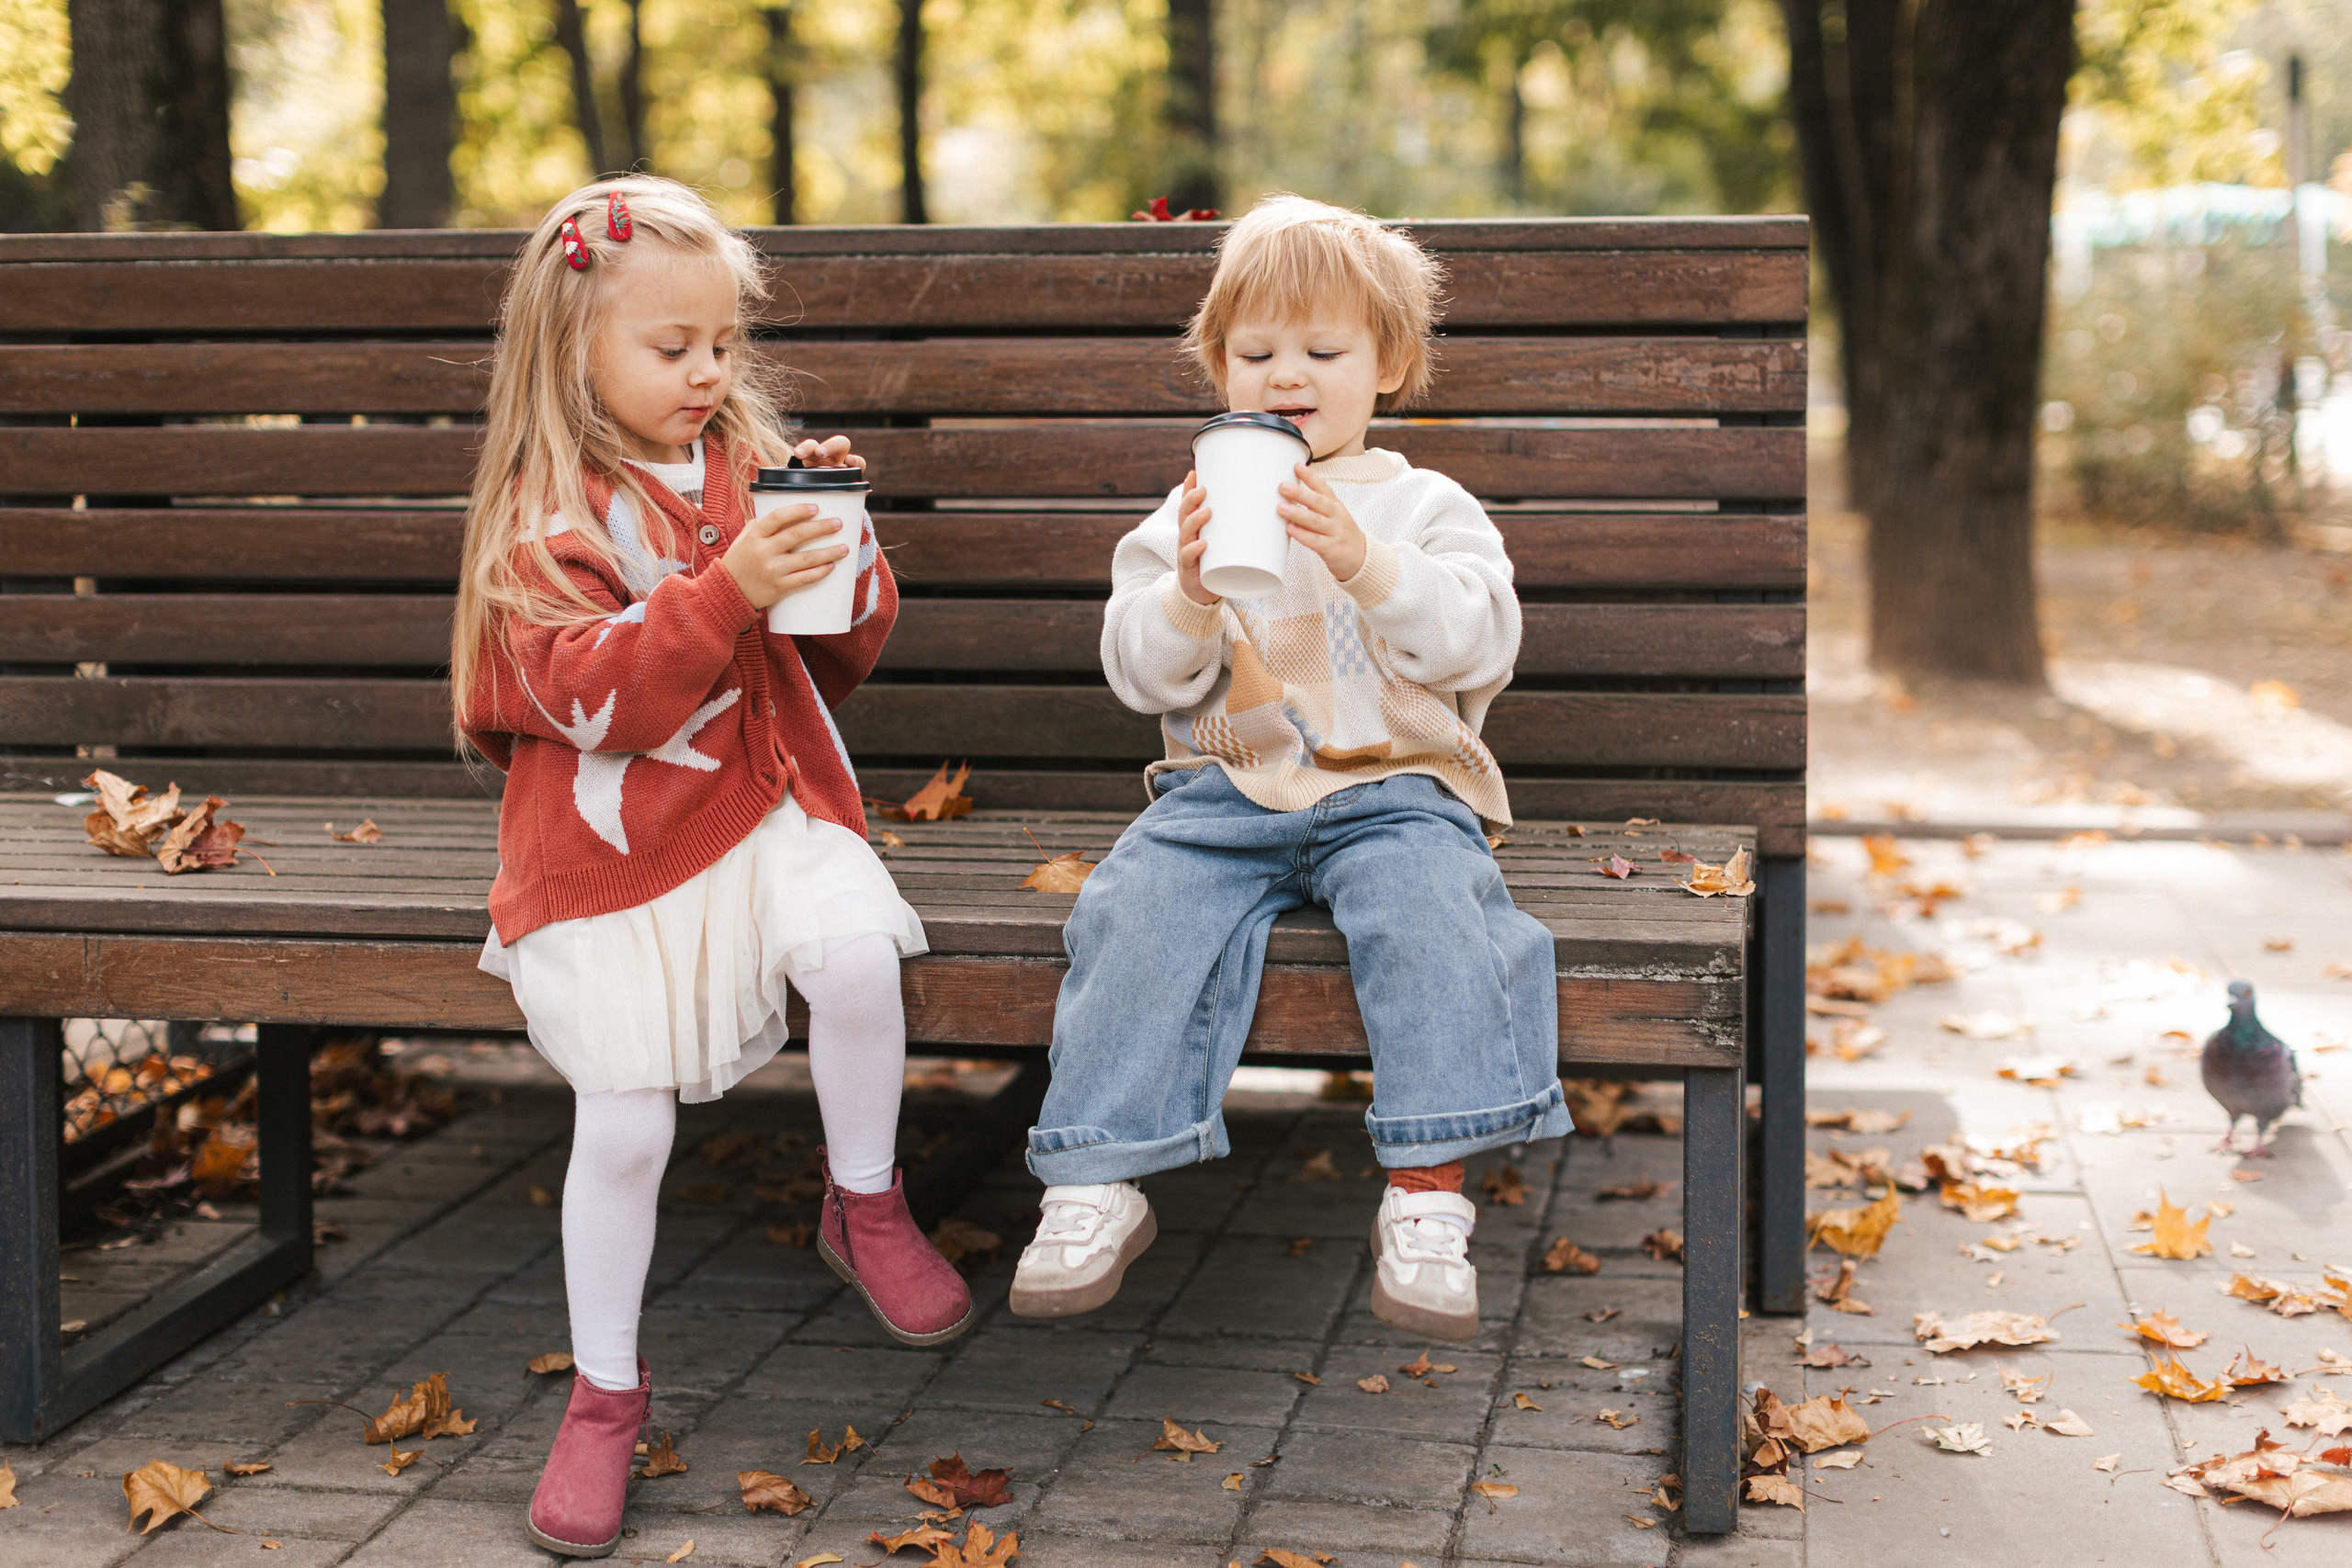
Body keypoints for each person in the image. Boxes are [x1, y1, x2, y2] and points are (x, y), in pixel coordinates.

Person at [451, 175, 968, 1560]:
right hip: (613, 846)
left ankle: (865, 1202)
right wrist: (729, 583)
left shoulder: (746, 461)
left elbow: (826, 661)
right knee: (624, 1126)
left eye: (723, 343)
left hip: (770, 806)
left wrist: (838, 551)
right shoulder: (542, 510)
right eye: (670, 347)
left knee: (856, 954)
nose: (708, 372)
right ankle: (606, 1395)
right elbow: (589, 695)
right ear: (576, 352)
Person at [1010, 194, 1570, 1343]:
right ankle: (1093, 1179)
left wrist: (1367, 561)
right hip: (1232, 789)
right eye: (1256, 353)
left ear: (1389, 364)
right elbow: (1140, 674)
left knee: (1436, 917)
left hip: (1395, 787)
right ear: (1219, 367)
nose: (1287, 376)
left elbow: (1476, 639)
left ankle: (1425, 1197)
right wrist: (1190, 589)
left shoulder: (1426, 504)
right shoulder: (1192, 508)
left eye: (1323, 351)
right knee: (1134, 905)